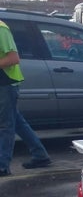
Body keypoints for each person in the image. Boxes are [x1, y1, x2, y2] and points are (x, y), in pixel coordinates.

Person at [0, 19, 51, 177]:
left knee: (5, 125)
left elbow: (13, 58)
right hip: (4, 84)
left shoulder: (1, 29)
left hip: (6, 83)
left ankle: (2, 166)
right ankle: (40, 155)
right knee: (16, 122)